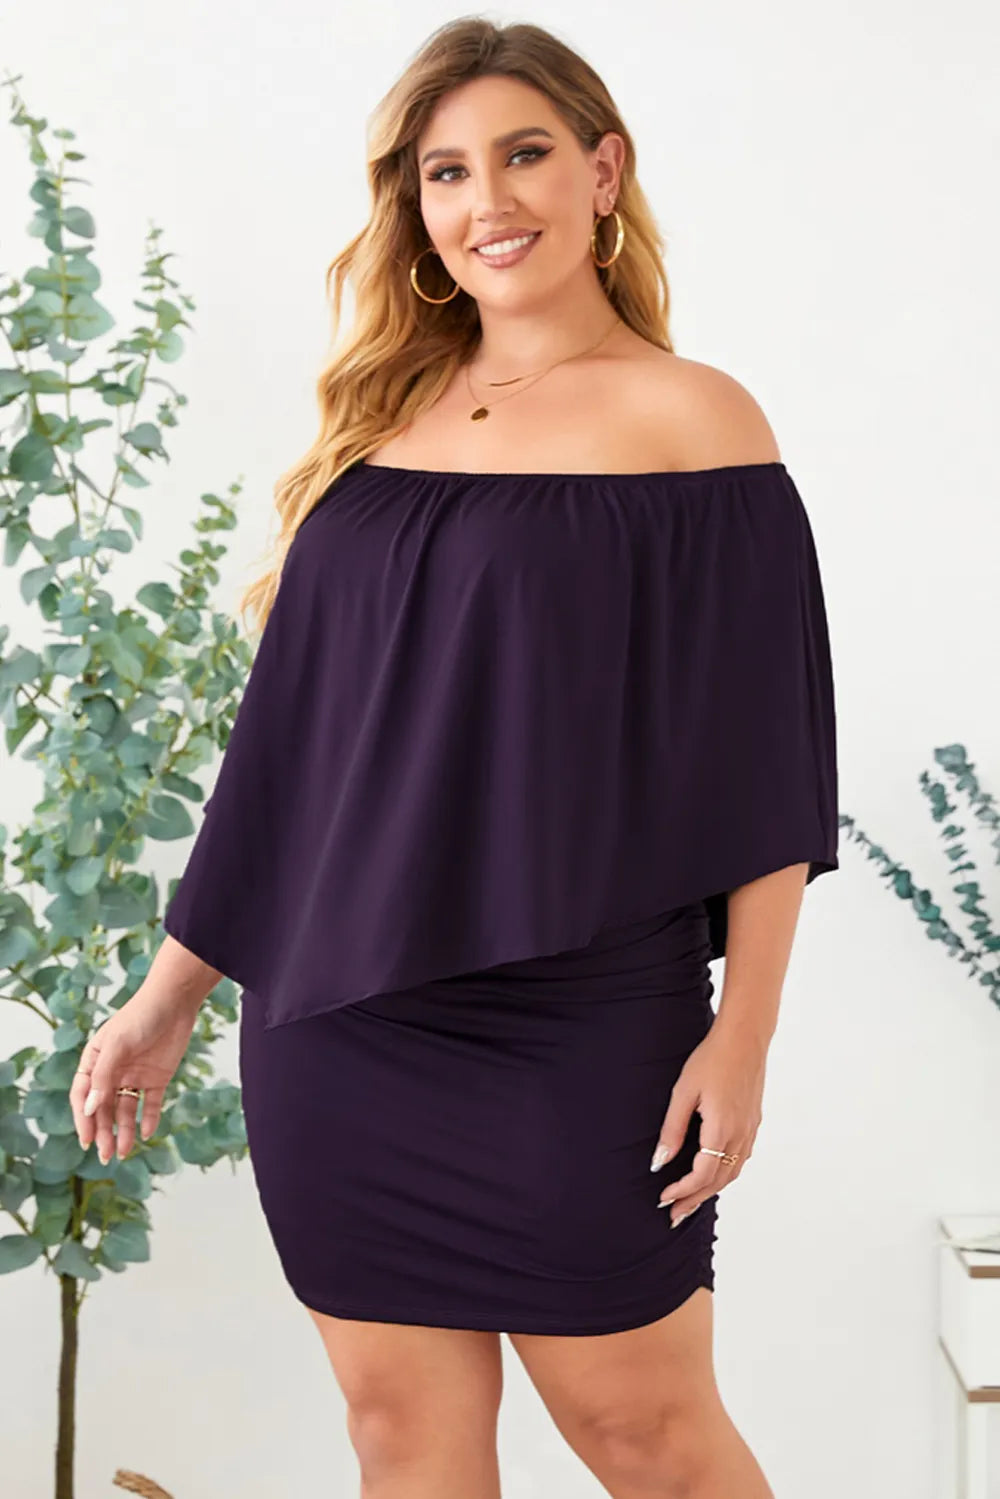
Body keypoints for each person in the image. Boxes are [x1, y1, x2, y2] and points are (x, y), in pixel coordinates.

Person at [70, 18, 839, 1499]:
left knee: (648, 1436)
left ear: (604, 171)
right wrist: (171, 995)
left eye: (525, 154)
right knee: (399, 1439)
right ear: (414, 206)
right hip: (339, 1022)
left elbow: (766, 759)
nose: (489, 200)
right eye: (446, 172)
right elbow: (289, 751)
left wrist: (743, 1035)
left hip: (582, 1022)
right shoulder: (380, 424)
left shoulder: (694, 422)